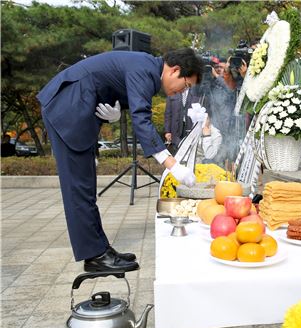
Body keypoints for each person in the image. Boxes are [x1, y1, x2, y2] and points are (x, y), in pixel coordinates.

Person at [37, 48, 202, 272]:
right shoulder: (144, 69)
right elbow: (141, 118)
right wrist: (172, 165)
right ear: (175, 70)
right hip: (67, 108)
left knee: (85, 188)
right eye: (186, 85)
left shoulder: (148, 71)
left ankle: (100, 249)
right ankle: (95, 256)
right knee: (79, 189)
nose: (183, 91)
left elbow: (115, 89)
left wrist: (115, 109)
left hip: (75, 107)